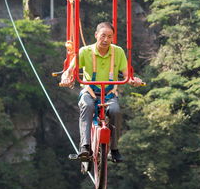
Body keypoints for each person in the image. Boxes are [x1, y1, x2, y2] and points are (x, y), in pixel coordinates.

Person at [60, 22, 142, 162]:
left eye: (109, 37)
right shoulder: (85, 51)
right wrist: (66, 78)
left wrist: (133, 80)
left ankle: (114, 149)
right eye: (103, 36)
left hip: (109, 93)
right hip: (90, 91)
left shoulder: (118, 52)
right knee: (87, 106)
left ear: (112, 38)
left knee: (115, 111)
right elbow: (69, 70)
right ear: (96, 35)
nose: (105, 40)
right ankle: (85, 147)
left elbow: (126, 73)